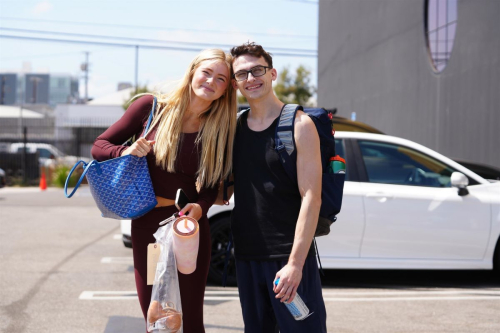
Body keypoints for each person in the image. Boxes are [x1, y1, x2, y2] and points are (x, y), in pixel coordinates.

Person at [91, 49, 237, 333]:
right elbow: (99, 146)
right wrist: (127, 150)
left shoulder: (219, 128)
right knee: (157, 319)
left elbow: (210, 187)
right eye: (207, 72)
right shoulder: (152, 109)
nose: (211, 81)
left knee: (192, 320)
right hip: (148, 227)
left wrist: (201, 207)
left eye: (221, 79)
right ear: (193, 71)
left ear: (225, 90)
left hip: (189, 230)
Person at [225, 42, 327, 332]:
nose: (251, 79)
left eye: (257, 70)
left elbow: (312, 197)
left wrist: (295, 264)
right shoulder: (235, 128)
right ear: (235, 84)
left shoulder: (299, 124)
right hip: (246, 256)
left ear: (273, 74)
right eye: (242, 74)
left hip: (288, 257)